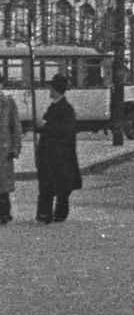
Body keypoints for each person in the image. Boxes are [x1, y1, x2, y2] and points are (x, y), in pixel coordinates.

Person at [36, 73, 82, 224]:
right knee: (47, 183)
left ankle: (58, 214)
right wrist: (40, 126)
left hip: (60, 154)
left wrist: (45, 125)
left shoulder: (66, 108)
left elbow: (63, 130)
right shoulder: (55, 106)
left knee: (59, 185)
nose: (49, 90)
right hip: (49, 152)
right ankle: (45, 213)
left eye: (51, 88)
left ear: (56, 90)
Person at [0, 77, 22, 225]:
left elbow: (16, 127)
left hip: (4, 150)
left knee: (3, 186)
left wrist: (15, 147)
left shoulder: (8, 102)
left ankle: (4, 213)